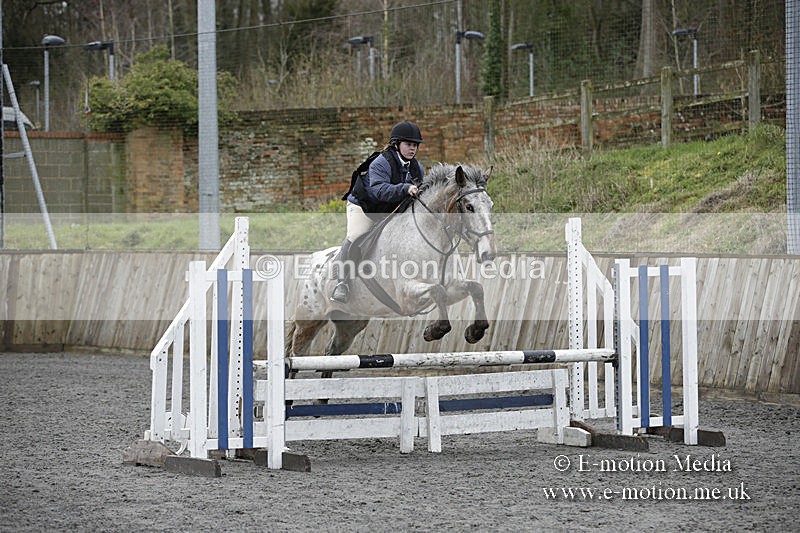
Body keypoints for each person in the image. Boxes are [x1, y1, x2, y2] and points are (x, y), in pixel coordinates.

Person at [330, 121, 426, 303]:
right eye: (408, 144)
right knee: (357, 235)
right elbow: (379, 191)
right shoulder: (381, 163)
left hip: (388, 209)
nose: (413, 149)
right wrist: (405, 188)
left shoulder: (417, 168)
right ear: (396, 144)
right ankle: (342, 283)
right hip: (365, 207)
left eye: (415, 145)